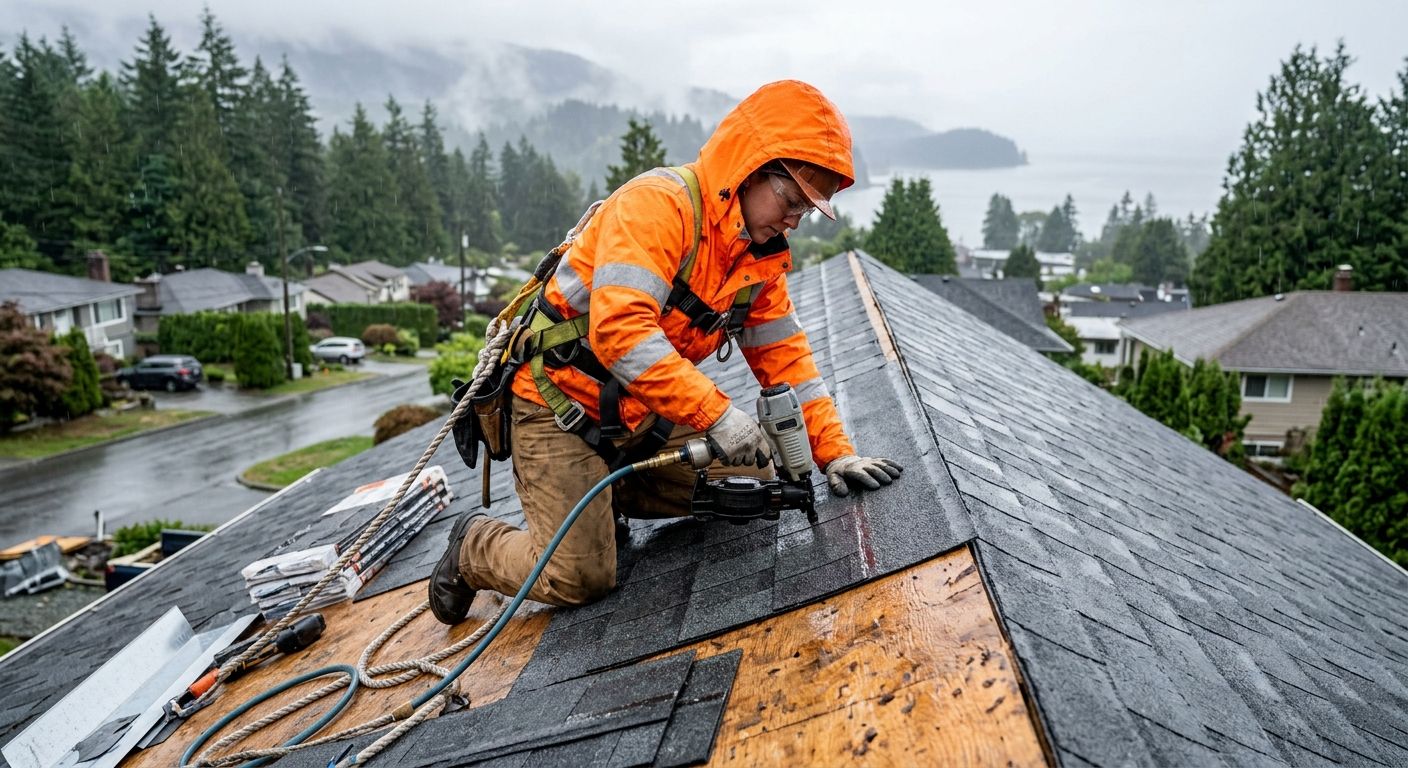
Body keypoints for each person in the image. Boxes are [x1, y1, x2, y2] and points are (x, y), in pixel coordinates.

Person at [429, 80, 902, 624]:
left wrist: (834, 452)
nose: (795, 219)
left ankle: (607, 494)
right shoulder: (658, 206)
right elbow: (621, 333)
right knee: (580, 576)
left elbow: (787, 362)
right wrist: (717, 415)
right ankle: (473, 546)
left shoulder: (757, 259)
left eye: (808, 211)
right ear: (751, 169)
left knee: (759, 480)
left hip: (640, 414)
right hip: (557, 406)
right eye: (792, 201)